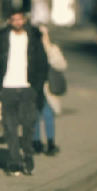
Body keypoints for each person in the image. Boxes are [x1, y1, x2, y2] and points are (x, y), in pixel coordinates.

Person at [0, 8, 48, 176]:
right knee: (10, 127)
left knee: (28, 126)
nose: (17, 22)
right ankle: (14, 162)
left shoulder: (34, 38)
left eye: (20, 19)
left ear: (25, 20)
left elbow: (43, 64)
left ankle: (28, 156)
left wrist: (36, 87)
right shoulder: (3, 39)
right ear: (9, 21)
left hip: (28, 89)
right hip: (7, 89)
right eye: (14, 19)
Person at [32, 24, 68, 156]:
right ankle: (36, 142)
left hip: (48, 88)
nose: (42, 36)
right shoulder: (31, 48)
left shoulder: (53, 49)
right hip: (34, 87)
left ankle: (50, 143)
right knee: (34, 115)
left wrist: (50, 51)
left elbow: (62, 65)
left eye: (44, 33)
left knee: (48, 114)